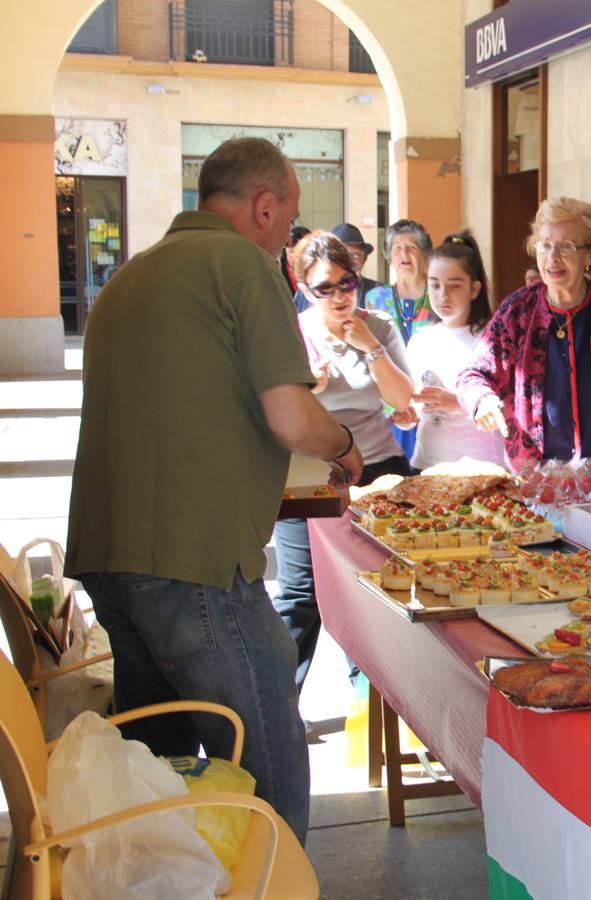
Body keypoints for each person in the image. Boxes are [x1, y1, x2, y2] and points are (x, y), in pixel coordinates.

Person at [65, 137, 363, 844]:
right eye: (288, 222)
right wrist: (347, 451)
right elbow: (289, 413)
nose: (287, 241)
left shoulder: (135, 274)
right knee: (266, 756)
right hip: (191, 557)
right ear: (265, 207)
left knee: (161, 765)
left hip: (110, 550)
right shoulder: (242, 265)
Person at [273, 230, 415, 695]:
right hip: (308, 475)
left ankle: (373, 701)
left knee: (380, 588)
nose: (338, 296)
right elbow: (274, 411)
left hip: (379, 469)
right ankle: (278, 704)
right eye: (324, 288)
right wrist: (305, 385)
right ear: (303, 289)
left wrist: (370, 346)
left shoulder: (379, 325)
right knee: (300, 594)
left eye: (346, 283)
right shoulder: (290, 336)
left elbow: (401, 400)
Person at [457, 198, 591, 469]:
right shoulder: (518, 311)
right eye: (545, 245)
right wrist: (482, 400)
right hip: (536, 479)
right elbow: (473, 375)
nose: (552, 258)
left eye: (566, 246)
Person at [404, 233, 506, 469]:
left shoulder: (492, 338)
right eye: (435, 284)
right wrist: (407, 416)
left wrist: (457, 402)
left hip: (481, 465)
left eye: (454, 285)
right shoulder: (420, 340)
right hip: (426, 462)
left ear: (474, 289)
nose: (443, 295)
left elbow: (509, 404)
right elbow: (415, 407)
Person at [366, 219, 436, 459]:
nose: (404, 254)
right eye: (397, 248)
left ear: (424, 253)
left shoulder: (438, 295)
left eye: (412, 247)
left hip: (431, 406)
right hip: (390, 409)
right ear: (389, 255)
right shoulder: (375, 299)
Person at [293, 222, 379, 313]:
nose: (339, 298)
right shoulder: (307, 293)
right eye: (325, 289)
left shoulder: (378, 291)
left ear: (364, 258)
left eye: (355, 255)